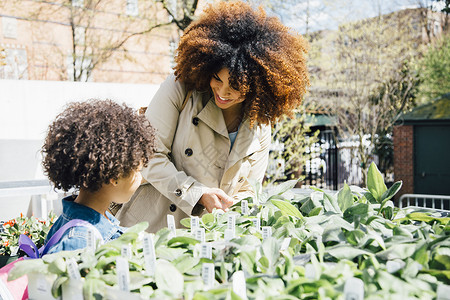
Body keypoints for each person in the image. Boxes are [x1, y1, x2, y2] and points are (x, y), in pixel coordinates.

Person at [116, 1, 309, 232]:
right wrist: (197, 193)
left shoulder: (259, 122)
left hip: (210, 236)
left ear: (258, 85)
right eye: (217, 78)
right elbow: (149, 156)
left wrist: (231, 212)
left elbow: (250, 189)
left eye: (236, 86)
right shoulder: (181, 88)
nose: (223, 91)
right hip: (152, 226)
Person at [42, 100, 156, 253]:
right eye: (137, 171)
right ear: (114, 175)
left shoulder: (74, 222)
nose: (140, 178)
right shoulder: (80, 242)